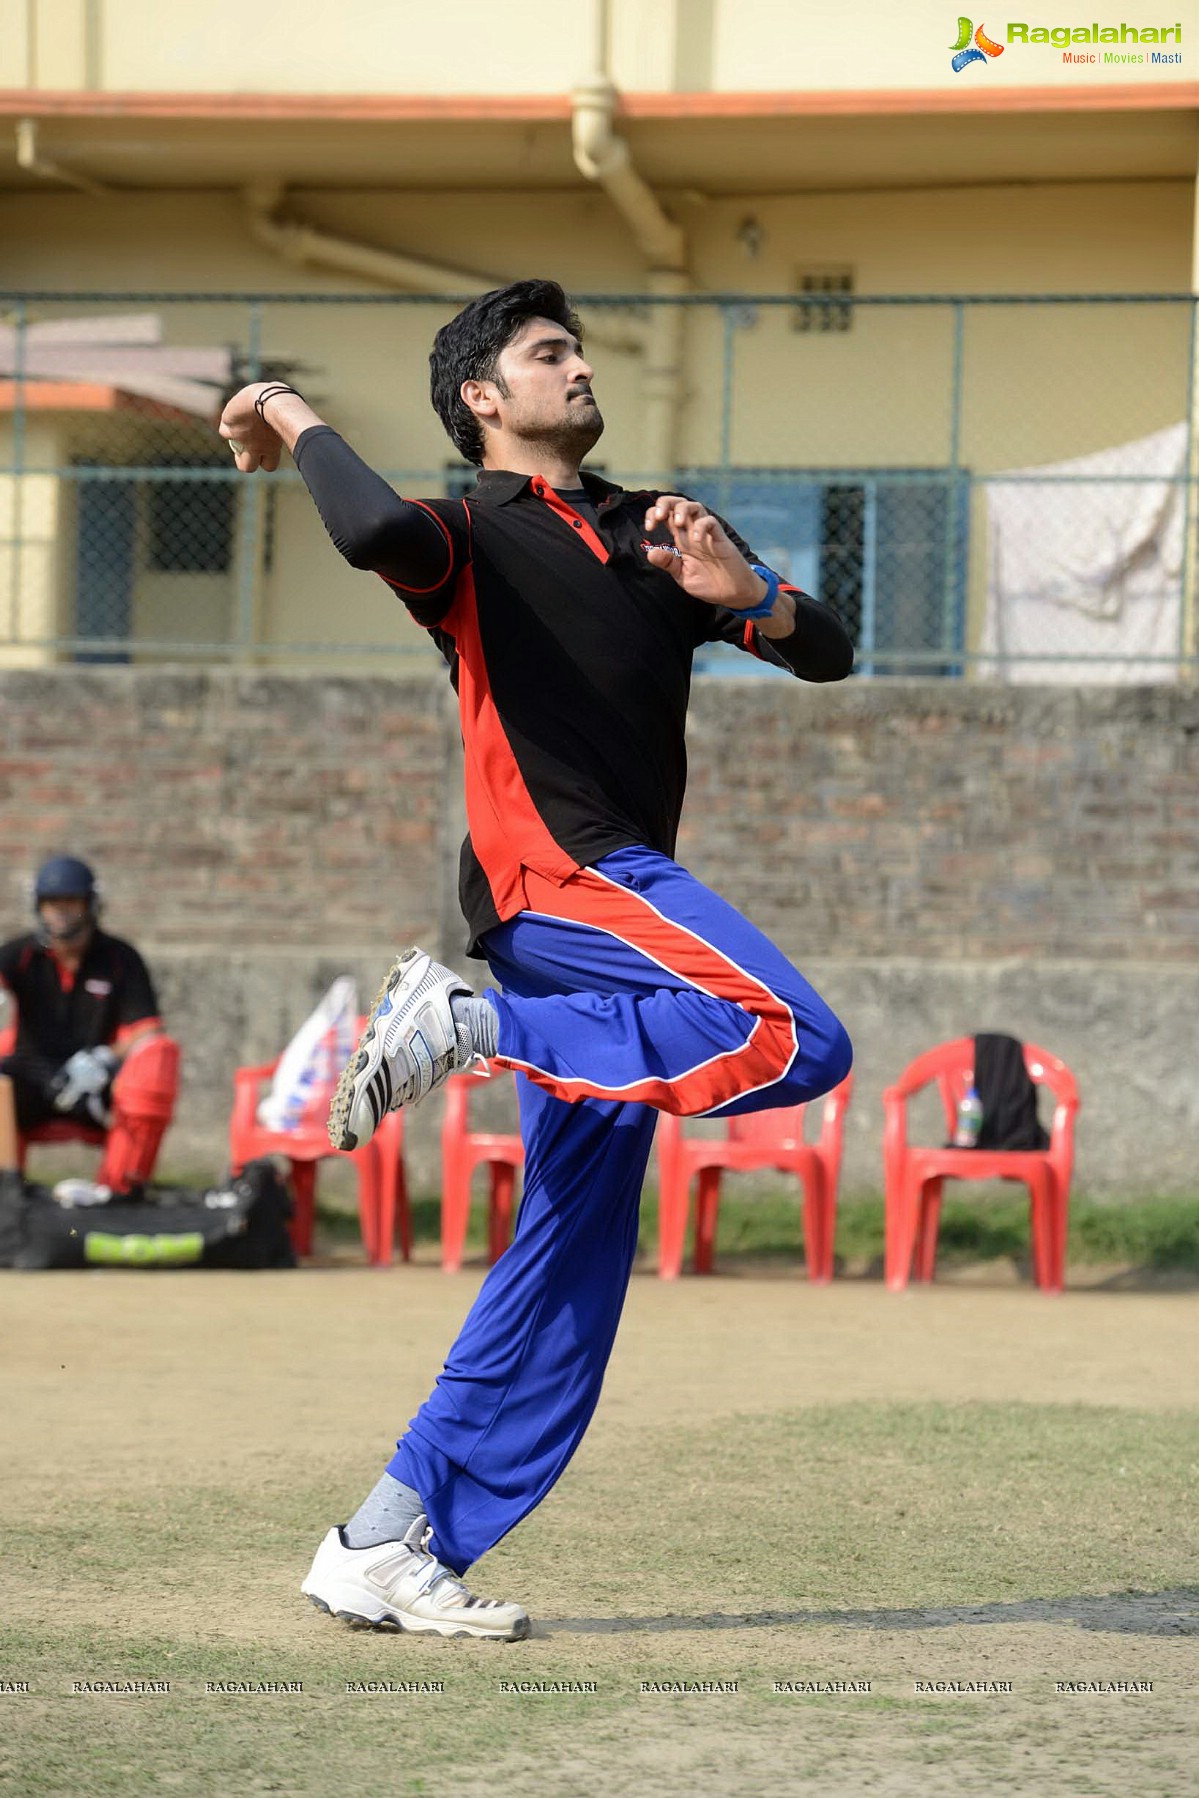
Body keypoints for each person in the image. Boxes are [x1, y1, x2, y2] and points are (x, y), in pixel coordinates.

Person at [218, 279, 855, 1642]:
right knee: (795, 1038)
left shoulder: (652, 529)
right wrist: (283, 406)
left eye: (574, 349)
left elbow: (828, 654)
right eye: (544, 353)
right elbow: (372, 525)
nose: (576, 365)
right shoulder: (464, 538)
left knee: (566, 1258)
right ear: (482, 402)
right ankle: (478, 1026)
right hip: (563, 879)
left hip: (587, 911)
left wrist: (754, 597)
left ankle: (384, 1539)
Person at [0, 855, 180, 1195]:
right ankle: (6, 1199)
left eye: (71, 902)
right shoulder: (19, 954)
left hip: (94, 1085)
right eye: (52, 904)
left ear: (91, 904)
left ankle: (119, 1195)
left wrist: (104, 1059)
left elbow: (148, 1030)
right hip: (32, 1078)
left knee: (157, 1061)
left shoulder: (120, 957)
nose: (61, 913)